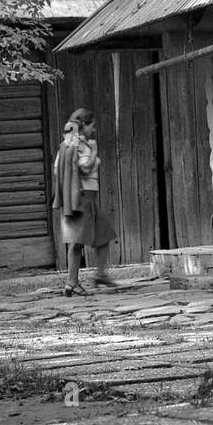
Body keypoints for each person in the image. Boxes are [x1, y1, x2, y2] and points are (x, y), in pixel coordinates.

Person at [52, 108, 119, 295]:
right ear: (84, 125)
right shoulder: (77, 145)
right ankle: (71, 282)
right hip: (81, 197)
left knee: (104, 233)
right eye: (93, 126)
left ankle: (100, 274)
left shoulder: (68, 144)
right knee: (77, 242)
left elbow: (58, 169)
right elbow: (84, 168)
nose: (95, 130)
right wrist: (95, 153)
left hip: (82, 196)